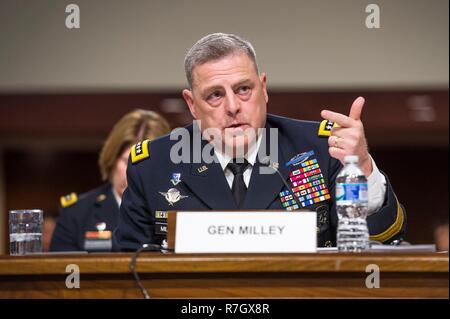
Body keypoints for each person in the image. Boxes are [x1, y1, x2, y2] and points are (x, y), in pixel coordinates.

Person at [114, 33, 406, 251]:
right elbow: (127, 271)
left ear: (263, 89)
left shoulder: (320, 149)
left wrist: (363, 166)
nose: (232, 106)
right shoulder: (154, 166)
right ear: (192, 104)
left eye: (243, 89)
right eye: (215, 94)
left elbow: (381, 239)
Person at [50, 109, 171, 251]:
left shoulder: (179, 212)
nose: (135, 172)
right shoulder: (76, 213)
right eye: (128, 162)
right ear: (112, 159)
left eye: (146, 165)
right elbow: (63, 271)